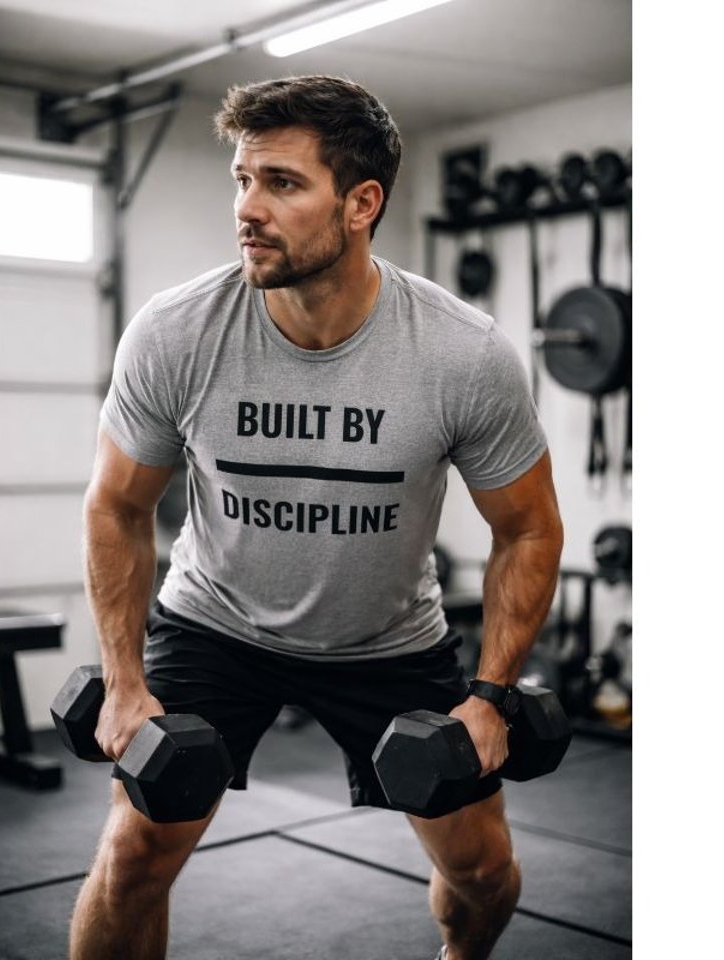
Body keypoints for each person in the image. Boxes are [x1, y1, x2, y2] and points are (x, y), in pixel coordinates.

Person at [70, 75, 563, 960]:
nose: (247, 208)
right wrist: (123, 678)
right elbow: (117, 502)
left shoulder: (462, 353)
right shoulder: (176, 332)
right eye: (241, 179)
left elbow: (528, 527)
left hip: (388, 639)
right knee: (133, 853)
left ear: (361, 203)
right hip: (215, 624)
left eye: (282, 183)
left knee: (483, 872)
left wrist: (490, 699)